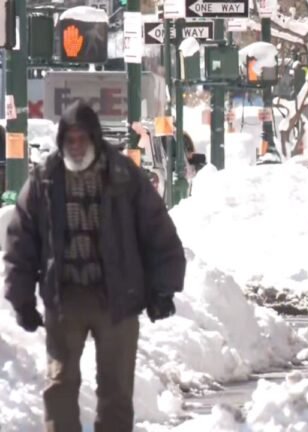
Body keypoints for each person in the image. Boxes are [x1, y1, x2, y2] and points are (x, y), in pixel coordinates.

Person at [4, 103, 186, 431]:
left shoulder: (123, 176)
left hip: (116, 297)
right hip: (65, 297)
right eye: (69, 140)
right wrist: (21, 299)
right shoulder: (45, 179)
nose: (76, 146)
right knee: (60, 386)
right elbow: (21, 242)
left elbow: (158, 230)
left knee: (116, 391)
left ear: (95, 139)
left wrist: (163, 288)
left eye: (82, 139)